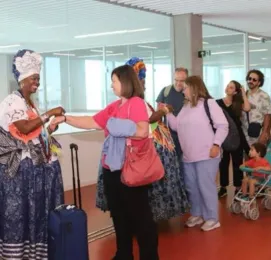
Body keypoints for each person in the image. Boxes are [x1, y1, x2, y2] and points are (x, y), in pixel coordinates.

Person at [53, 65, 159, 260]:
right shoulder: (115, 106)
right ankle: (123, 253)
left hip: (131, 168)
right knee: (119, 215)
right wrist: (65, 118)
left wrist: (113, 124)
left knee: (141, 218)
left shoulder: (135, 103)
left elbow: (142, 130)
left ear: (126, 82)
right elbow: (92, 121)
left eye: (114, 81)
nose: (111, 85)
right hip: (113, 170)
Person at [0, 49, 65, 259]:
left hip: (31, 173)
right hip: (18, 174)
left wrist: (50, 128)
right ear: (23, 79)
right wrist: (49, 114)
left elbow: (31, 135)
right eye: (34, 78)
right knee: (18, 215)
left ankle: (32, 252)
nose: (37, 82)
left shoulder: (28, 103)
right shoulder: (12, 101)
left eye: (38, 78)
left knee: (32, 214)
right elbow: (25, 127)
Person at [126, 57, 190, 221]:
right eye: (141, 79)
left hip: (178, 136)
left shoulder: (190, 94)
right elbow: (151, 118)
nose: (144, 82)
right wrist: (164, 111)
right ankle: (151, 213)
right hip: (148, 144)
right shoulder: (137, 101)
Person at [166, 76, 229, 232]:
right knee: (192, 187)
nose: (183, 90)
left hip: (207, 154)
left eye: (186, 87)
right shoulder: (186, 107)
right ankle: (197, 214)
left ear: (194, 88)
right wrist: (167, 113)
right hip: (188, 155)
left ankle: (212, 218)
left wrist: (216, 144)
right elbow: (176, 126)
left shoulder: (209, 104)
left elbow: (223, 126)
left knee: (205, 186)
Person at [216, 80, 251, 198]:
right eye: (227, 86)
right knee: (223, 163)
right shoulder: (218, 103)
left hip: (237, 137)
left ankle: (237, 188)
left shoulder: (237, 104)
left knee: (237, 164)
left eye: (231, 87)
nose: (227, 88)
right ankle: (223, 187)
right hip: (223, 137)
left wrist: (243, 93)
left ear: (236, 91)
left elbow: (247, 108)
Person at [156, 67, 188, 160]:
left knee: (185, 165)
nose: (178, 83)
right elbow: (158, 113)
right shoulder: (166, 91)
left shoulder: (190, 93)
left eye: (182, 81)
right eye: (176, 80)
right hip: (169, 137)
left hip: (186, 135)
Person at [241, 70, 271, 146]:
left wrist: (265, 133)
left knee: (257, 156)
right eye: (249, 78)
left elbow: (267, 116)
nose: (251, 81)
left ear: (259, 83)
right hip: (244, 132)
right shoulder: (244, 95)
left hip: (257, 133)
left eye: (254, 80)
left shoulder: (264, 96)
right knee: (246, 156)